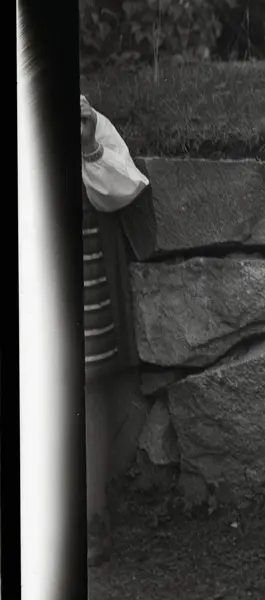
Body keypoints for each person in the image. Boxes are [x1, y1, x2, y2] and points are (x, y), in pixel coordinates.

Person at [81, 94, 149, 566]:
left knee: (83, 392)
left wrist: (88, 146)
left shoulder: (85, 120)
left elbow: (123, 187)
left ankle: (92, 519)